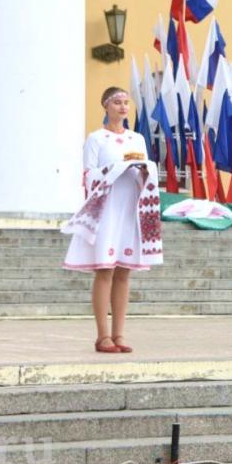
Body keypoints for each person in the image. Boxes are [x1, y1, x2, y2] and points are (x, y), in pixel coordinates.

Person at [62, 87, 162, 353]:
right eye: (117, 102)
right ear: (106, 106)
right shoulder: (96, 139)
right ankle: (102, 335)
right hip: (107, 209)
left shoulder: (137, 139)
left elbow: (147, 172)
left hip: (130, 208)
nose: (123, 107)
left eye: (126, 102)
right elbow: (88, 175)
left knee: (124, 272)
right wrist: (115, 169)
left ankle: (119, 334)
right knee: (105, 270)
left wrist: (144, 170)